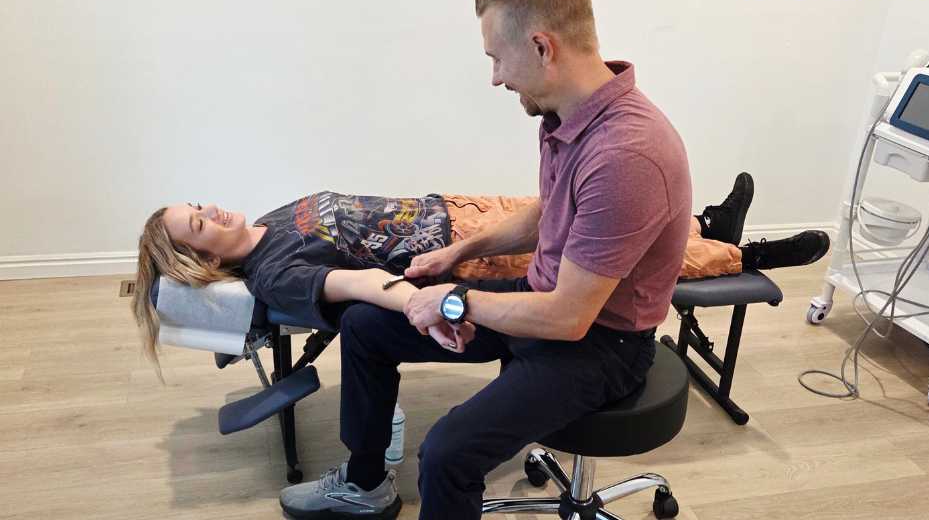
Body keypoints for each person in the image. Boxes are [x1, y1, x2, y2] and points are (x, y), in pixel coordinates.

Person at [276, 0, 827, 520]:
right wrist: (459, 252)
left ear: (542, 47)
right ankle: (365, 485)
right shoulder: (565, 115)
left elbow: (568, 319)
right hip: (545, 301)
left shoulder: (627, 154)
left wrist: (457, 301)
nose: (495, 77)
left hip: (601, 345)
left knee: (446, 454)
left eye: (497, 58)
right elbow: (548, 212)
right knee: (366, 325)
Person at [131, 176, 828, 373]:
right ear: (207, 259)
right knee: (609, 251)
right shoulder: (275, 272)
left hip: (456, 213)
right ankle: (750, 254)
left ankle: (705, 223)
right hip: (468, 257)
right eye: (199, 225)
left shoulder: (270, 220)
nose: (210, 210)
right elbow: (361, 285)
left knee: (586, 205)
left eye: (197, 204)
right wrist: (427, 299)